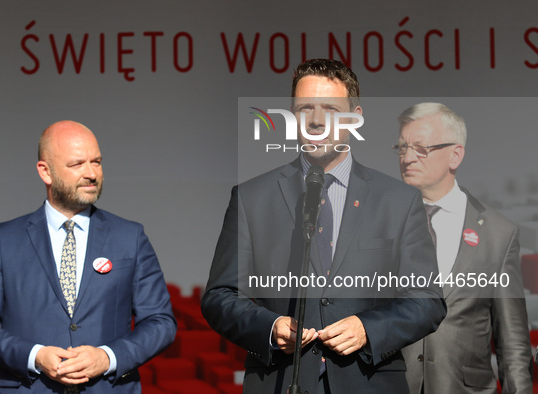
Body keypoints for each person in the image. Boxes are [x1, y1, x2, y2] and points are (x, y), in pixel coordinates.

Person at [201, 59, 446, 394]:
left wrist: (367, 329)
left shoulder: (398, 200)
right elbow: (220, 296)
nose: (316, 121)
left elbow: (427, 300)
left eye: (330, 109)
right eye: (304, 109)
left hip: (368, 382)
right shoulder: (251, 198)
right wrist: (270, 327)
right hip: (281, 381)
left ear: (355, 118)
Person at [0, 120, 177, 393]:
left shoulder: (130, 237)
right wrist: (34, 355)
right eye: (77, 164)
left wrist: (107, 357)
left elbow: (160, 322)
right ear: (45, 172)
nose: (91, 173)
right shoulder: (4, 240)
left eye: (96, 162)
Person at [395, 102, 532, 393]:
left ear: (455, 155)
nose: (407, 157)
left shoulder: (499, 233)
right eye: (402, 147)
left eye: (420, 148)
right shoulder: (382, 224)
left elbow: (513, 342)